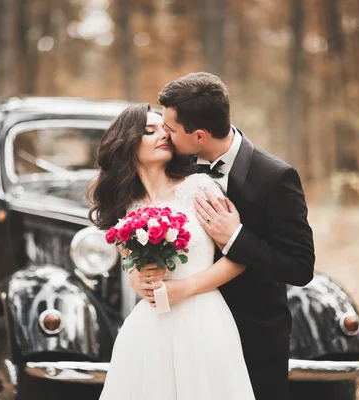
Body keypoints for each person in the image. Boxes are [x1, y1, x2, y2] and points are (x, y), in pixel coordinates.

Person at [128, 72, 316, 399]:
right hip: (184, 331)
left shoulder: (275, 178)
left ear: (199, 136)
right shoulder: (174, 162)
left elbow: (300, 267)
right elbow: (144, 215)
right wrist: (135, 273)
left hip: (253, 334)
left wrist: (237, 237)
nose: (165, 136)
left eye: (170, 129)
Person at [89, 104, 255, 400]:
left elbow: (238, 258)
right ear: (127, 142)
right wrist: (136, 280)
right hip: (150, 324)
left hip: (202, 319)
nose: (162, 135)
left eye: (164, 129)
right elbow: (132, 267)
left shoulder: (199, 188)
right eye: (149, 131)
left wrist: (184, 288)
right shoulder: (127, 207)